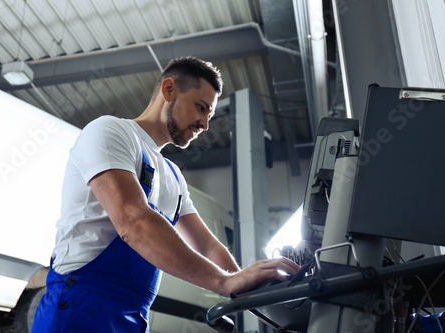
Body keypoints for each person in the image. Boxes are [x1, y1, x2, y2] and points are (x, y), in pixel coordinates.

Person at [31, 56, 299, 332]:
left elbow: (207, 246)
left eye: (210, 115)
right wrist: (223, 282)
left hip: (133, 317)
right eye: (200, 107)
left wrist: (255, 296)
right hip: (78, 308)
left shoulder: (173, 176)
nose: (205, 124)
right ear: (169, 90)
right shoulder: (111, 132)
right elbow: (133, 222)